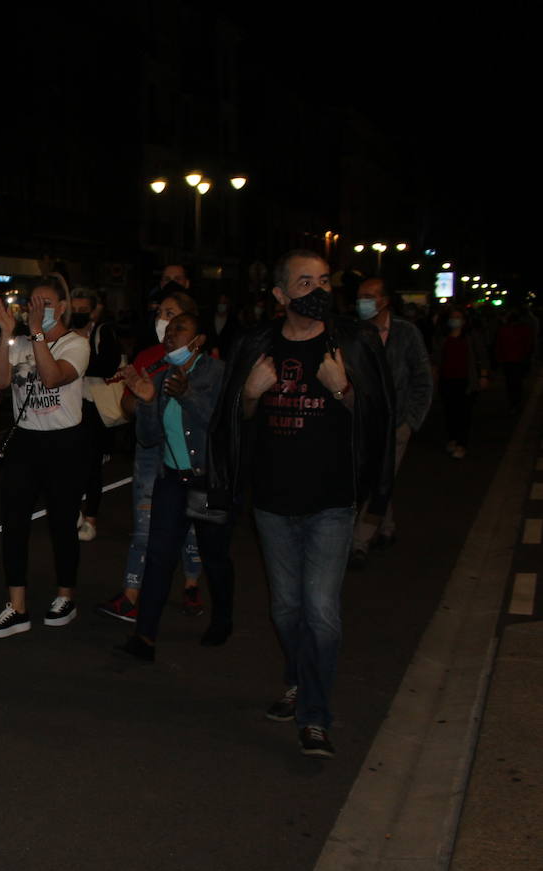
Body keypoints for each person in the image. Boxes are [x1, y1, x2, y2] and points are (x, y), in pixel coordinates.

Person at [209, 249, 395, 759]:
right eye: (305, 282)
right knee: (287, 608)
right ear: (280, 294)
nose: (318, 291)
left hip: (332, 502)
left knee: (322, 612)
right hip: (272, 502)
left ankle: (314, 715)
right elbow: (232, 421)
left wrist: (344, 389)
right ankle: (298, 679)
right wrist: (250, 394)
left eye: (324, 281)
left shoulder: (352, 342)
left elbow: (378, 416)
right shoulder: (256, 344)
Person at [115, 313, 234, 661]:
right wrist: (146, 402)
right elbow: (149, 438)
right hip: (172, 480)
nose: (170, 335)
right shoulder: (163, 374)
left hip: (206, 482)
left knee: (214, 556)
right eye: (168, 330)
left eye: (180, 329)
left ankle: (222, 620)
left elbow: (223, 427)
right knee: (159, 556)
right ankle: (145, 637)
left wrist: (188, 395)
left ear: (199, 340)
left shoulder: (217, 373)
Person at [0, 278, 87, 636]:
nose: (37, 309)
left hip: (64, 443)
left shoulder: (76, 344)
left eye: (46, 303)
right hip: (26, 441)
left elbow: (54, 377)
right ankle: (17, 606)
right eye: (33, 303)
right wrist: (6, 334)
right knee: (14, 522)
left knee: (62, 523)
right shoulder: (22, 344)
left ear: (62, 308)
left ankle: (66, 596)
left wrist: (38, 334)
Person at [96, 292, 205, 622]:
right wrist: (142, 396)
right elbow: (127, 407)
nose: (164, 322)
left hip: (188, 454)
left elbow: (210, 411)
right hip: (150, 452)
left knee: (190, 525)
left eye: (172, 315)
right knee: (144, 525)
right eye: (160, 313)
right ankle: (131, 594)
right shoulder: (148, 357)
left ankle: (192, 585)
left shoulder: (205, 362)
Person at [349, 278, 433, 567]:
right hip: (363, 423)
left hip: (396, 424)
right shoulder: (354, 331)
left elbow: (422, 378)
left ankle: (359, 541)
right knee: (378, 476)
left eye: (369, 296)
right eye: (360, 296)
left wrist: (410, 420)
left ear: (384, 300)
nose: (362, 301)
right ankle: (386, 527)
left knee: (377, 480)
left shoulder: (406, 333)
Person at [72, 288, 123, 542]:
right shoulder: (63, 333)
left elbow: (108, 365)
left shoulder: (103, 332)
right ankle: (74, 511)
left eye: (83, 310)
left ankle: (91, 518)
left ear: (94, 311)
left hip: (94, 408)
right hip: (70, 406)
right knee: (71, 463)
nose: (78, 314)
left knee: (92, 466)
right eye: (74, 309)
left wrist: (76, 362)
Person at [433, 304, 489, 459]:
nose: (455, 320)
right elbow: (436, 358)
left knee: (464, 413)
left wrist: (483, 376)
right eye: (452, 317)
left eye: (458, 317)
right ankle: (452, 438)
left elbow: (482, 356)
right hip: (447, 379)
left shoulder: (471, 336)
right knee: (449, 412)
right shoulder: (443, 337)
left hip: (466, 381)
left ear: (464, 320)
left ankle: (461, 444)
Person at [494, 308, 534, 415]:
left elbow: (499, 346)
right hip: (519, 360)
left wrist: (499, 358)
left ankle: (513, 403)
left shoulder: (503, 329)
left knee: (510, 383)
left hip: (508, 361)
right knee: (517, 382)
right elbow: (528, 344)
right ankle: (516, 403)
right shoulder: (524, 329)